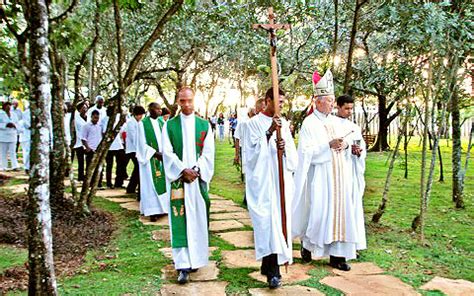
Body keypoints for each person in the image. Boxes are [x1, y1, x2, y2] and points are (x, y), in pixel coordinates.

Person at [292, 70, 359, 271]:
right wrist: (327, 146)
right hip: (320, 176)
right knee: (319, 213)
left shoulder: (334, 121)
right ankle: (307, 245)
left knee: (340, 214)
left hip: (340, 174)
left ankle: (337, 257)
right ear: (318, 101)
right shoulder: (309, 123)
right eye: (329, 101)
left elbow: (345, 140)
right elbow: (305, 152)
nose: (332, 104)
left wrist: (346, 145)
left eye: (332, 101)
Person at [244, 88, 297, 289]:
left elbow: (293, 158)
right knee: (266, 224)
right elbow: (252, 156)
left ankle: (270, 269)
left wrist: (284, 149)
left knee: (278, 224)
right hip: (263, 184)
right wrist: (269, 133)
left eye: (284, 102)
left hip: (280, 181)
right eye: (278, 101)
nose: (282, 105)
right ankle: (272, 271)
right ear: (267, 101)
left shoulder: (284, 125)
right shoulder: (252, 124)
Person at [162, 87, 215, 285]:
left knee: (198, 219)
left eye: (189, 100)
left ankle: (197, 259)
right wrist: (182, 170)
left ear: (195, 101)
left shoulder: (204, 125)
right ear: (177, 101)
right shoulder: (169, 126)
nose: (186, 104)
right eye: (182, 101)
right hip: (179, 180)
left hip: (197, 180)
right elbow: (167, 152)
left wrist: (197, 170)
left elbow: (209, 153)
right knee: (180, 221)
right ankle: (182, 265)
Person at [334, 94, 367, 253]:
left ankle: (352, 246)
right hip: (336, 173)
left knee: (352, 208)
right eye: (346, 108)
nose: (349, 111)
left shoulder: (354, 127)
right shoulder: (331, 124)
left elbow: (360, 146)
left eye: (351, 108)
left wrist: (358, 151)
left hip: (351, 172)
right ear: (338, 107)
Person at [136, 102, 169, 221]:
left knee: (163, 184)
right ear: (150, 110)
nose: (160, 111)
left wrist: (165, 153)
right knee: (150, 185)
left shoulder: (162, 122)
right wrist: (155, 153)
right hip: (149, 159)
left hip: (162, 158)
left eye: (160, 109)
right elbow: (141, 144)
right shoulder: (142, 124)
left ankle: (163, 209)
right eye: (157, 109)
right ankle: (152, 211)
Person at [102, 106, 127, 189]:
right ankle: (109, 183)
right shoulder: (104, 120)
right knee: (109, 165)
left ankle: (118, 182)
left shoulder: (116, 119)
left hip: (118, 145)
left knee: (121, 164)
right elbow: (104, 133)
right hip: (109, 146)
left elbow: (122, 130)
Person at [125, 105, 146, 195]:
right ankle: (132, 187)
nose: (141, 117)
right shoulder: (130, 123)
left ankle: (132, 187)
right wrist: (139, 147)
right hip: (132, 149)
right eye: (139, 115)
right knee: (138, 168)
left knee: (137, 169)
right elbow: (133, 137)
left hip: (139, 149)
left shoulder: (140, 123)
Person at [81, 110, 103, 187]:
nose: (96, 119)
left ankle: (98, 183)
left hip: (98, 149)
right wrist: (87, 148)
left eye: (97, 118)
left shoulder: (99, 126)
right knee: (89, 167)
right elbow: (83, 138)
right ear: (91, 117)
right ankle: (88, 183)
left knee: (99, 167)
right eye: (95, 117)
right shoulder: (86, 126)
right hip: (90, 149)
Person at [0, 102, 20, 171]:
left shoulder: (14, 114)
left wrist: (14, 125)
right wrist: (5, 125)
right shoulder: (1, 114)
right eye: (7, 106)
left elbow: (17, 123)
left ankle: (15, 166)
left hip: (12, 135)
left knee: (13, 151)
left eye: (9, 106)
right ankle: (3, 166)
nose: (8, 108)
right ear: (4, 107)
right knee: (3, 152)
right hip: (3, 136)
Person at [74, 102, 88, 181]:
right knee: (81, 161)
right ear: (79, 109)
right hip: (79, 142)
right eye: (83, 108)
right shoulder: (77, 118)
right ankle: (80, 176)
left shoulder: (88, 117)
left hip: (88, 142)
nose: (85, 109)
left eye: (86, 107)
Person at [19, 102, 31, 173]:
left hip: (29, 135)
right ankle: (27, 167)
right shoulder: (26, 113)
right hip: (26, 135)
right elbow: (27, 125)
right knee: (27, 151)